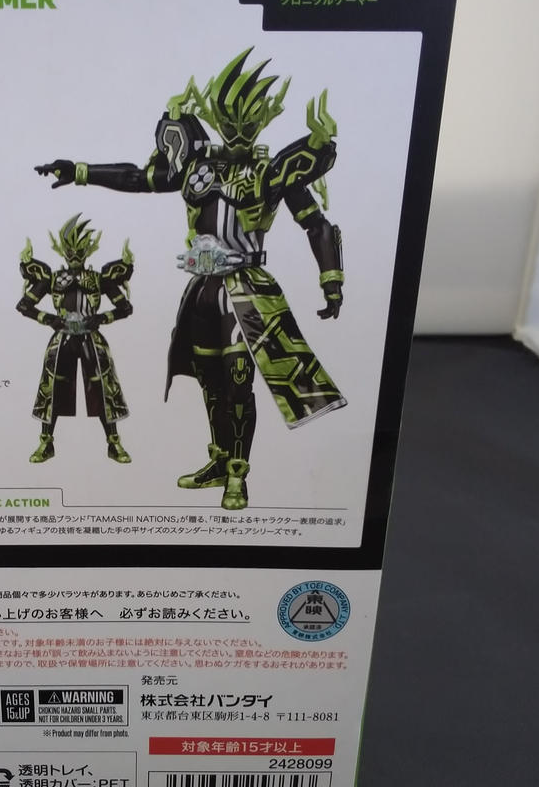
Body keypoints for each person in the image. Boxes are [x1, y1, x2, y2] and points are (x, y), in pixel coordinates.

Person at [36, 49, 345, 510]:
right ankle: (219, 460)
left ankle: (238, 473)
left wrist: (331, 280)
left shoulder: (273, 171)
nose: (237, 129)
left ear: (262, 118)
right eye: (230, 118)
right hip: (201, 289)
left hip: (246, 289)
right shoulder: (197, 168)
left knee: (238, 380)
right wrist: (81, 171)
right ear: (216, 117)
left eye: (247, 119)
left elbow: (315, 224)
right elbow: (138, 178)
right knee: (210, 380)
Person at [17, 215, 133, 464]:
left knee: (103, 388)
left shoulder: (99, 278)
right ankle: (46, 442)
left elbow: (125, 307)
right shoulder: (52, 278)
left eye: (79, 251)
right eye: (70, 251)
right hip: (62, 338)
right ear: (63, 250)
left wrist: (101, 318)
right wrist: (49, 319)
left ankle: (113, 442)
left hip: (92, 338)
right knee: (52, 388)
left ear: (87, 250)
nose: (74, 256)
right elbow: (24, 305)